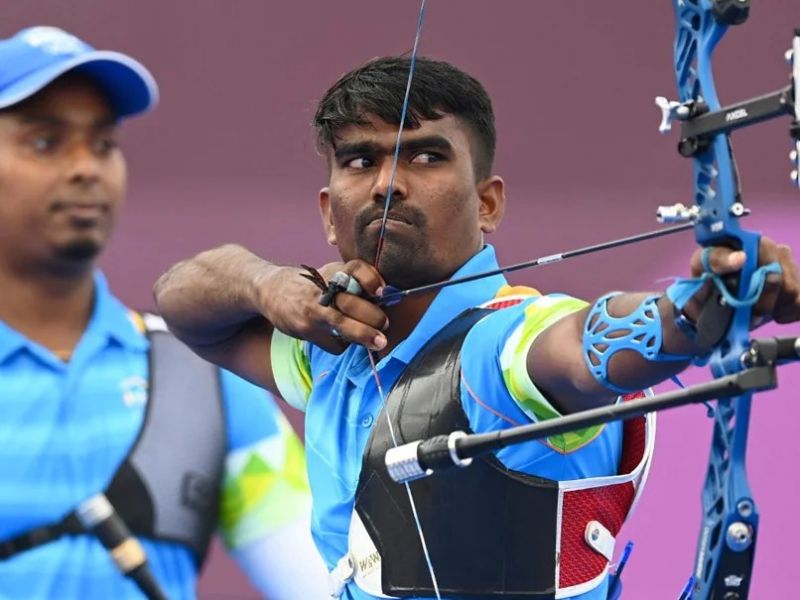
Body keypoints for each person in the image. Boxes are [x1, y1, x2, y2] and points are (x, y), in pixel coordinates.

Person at [153, 56, 800, 600]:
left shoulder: (509, 344)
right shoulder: (330, 353)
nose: (387, 185)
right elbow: (184, 304)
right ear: (329, 213)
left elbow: (585, 348)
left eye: (426, 157)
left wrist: (701, 307)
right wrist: (265, 284)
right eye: (359, 161)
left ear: (487, 203)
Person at [0, 26, 329, 599]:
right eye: (45, 142)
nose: (86, 168)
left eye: (103, 144)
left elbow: (320, 585)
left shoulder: (202, 374)